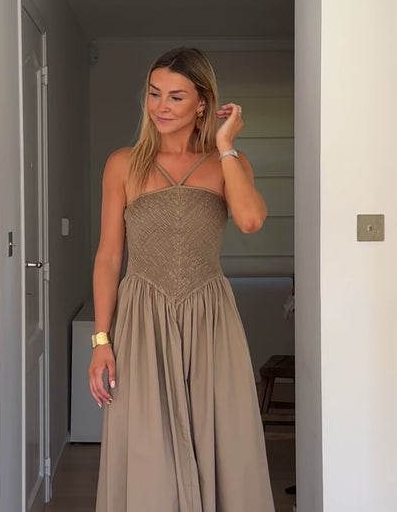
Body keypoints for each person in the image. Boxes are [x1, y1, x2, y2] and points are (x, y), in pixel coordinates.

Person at [88, 47, 275, 512]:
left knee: (223, 439)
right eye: (154, 94)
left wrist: (226, 145)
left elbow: (251, 220)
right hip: (142, 320)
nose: (161, 106)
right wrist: (101, 340)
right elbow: (109, 256)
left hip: (210, 318)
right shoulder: (123, 164)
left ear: (202, 103)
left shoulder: (227, 163)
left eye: (176, 96)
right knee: (147, 449)